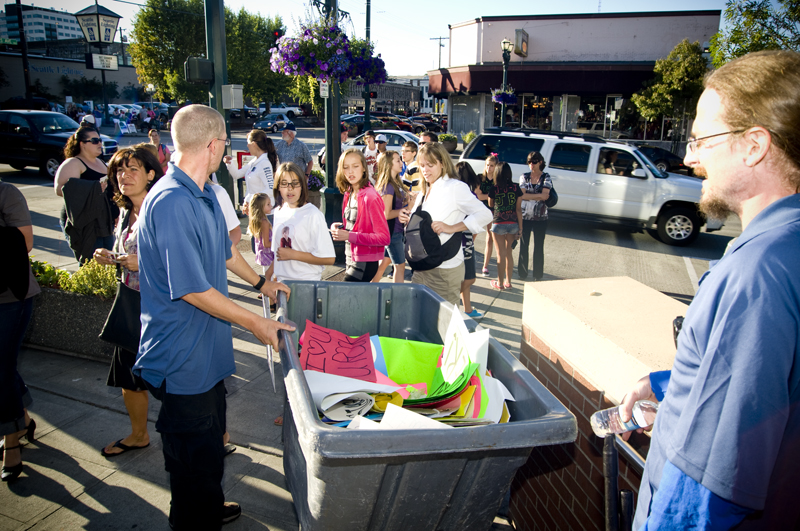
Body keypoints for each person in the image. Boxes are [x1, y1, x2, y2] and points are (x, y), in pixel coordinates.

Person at [619, 50, 800, 530]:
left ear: (754, 145)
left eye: (701, 138)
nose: (689, 156)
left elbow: (711, 485)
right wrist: (667, 386)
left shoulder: (756, 273)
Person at [133, 104, 295, 530]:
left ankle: (209, 502)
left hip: (207, 358)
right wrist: (255, 322)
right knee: (191, 470)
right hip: (182, 361)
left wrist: (262, 283)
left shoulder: (202, 193)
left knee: (209, 453)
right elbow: (189, 289)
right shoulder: (170, 202)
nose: (228, 149)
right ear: (212, 143)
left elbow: (223, 254)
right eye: (225, 141)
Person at [92, 146, 164, 458]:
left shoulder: (161, 210)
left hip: (160, 306)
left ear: (150, 174)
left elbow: (181, 261)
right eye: (120, 170)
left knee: (173, 380)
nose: (125, 175)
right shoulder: (124, 212)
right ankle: (139, 435)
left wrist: (142, 262)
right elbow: (126, 254)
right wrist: (110, 257)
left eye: (133, 169)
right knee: (129, 378)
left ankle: (215, 432)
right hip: (129, 303)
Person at [270, 162, 336, 426]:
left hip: (306, 290)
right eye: (284, 183)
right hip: (283, 291)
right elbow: (277, 253)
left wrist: (293, 255)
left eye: (294, 183)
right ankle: (293, 411)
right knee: (288, 355)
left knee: (305, 356)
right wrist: (267, 280)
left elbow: (329, 258)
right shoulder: (279, 212)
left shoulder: (312, 214)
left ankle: (307, 413)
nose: (289, 189)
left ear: (303, 185)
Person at [398, 143, 492, 305]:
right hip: (420, 268)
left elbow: (485, 214)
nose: (425, 170)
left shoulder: (455, 187)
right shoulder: (425, 190)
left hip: (444, 270)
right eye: (422, 165)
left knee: (444, 324)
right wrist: (407, 219)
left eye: (430, 165)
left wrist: (453, 228)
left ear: (442, 163)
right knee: (420, 319)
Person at [0, 182, 39, 482]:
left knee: (2, 370)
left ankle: (11, 442)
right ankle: (21, 418)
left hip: (11, 298)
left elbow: (25, 243)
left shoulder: (6, 193)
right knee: (4, 369)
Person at [54, 125, 118, 262]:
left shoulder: (101, 162)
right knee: (90, 261)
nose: (100, 143)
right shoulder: (73, 163)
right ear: (82, 144)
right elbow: (60, 189)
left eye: (100, 140)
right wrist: (93, 189)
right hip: (84, 221)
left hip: (104, 220)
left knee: (108, 260)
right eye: (94, 141)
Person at [331, 148, 391, 282]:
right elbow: (355, 227)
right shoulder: (349, 192)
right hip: (350, 258)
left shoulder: (370, 196)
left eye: (355, 166)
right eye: (346, 167)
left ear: (364, 168)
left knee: (343, 298)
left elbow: (384, 238)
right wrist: (338, 227)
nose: (350, 171)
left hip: (364, 263)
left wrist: (348, 235)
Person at [372, 151, 409, 283]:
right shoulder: (388, 186)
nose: (401, 163)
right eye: (398, 160)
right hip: (392, 232)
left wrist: (407, 200)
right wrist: (405, 209)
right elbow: (386, 214)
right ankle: (397, 298)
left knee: (384, 264)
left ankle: (370, 286)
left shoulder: (394, 183)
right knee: (400, 266)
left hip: (394, 230)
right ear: (388, 164)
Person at [224, 129, 277, 215]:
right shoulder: (254, 161)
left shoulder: (264, 163)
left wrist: (249, 199)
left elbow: (270, 190)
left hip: (264, 213)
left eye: (248, 143)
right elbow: (237, 175)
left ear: (254, 144)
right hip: (255, 211)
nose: (247, 146)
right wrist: (229, 163)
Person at [517, 151, 552, 281]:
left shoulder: (546, 177)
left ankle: (538, 274)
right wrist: (538, 196)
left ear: (540, 162)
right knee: (523, 245)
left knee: (539, 246)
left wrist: (528, 196)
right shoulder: (524, 176)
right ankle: (522, 273)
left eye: (534, 162)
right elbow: (521, 195)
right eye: (529, 162)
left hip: (541, 217)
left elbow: (546, 196)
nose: (531, 164)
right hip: (525, 217)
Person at [488, 162, 523, 290]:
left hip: (498, 223)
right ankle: (508, 282)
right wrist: (520, 228)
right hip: (513, 223)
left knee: (500, 255)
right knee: (509, 254)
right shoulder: (516, 188)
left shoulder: (494, 188)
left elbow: (491, 205)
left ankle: (500, 283)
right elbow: (519, 209)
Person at [455, 162, 483, 317]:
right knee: (470, 278)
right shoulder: (470, 196)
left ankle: (468, 309)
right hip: (466, 242)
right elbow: (477, 220)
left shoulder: (455, 193)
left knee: (464, 277)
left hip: (457, 241)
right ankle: (444, 300)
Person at [477, 153, 498, 277]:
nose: (489, 168)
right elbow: (478, 195)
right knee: (472, 234)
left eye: (492, 166)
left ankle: (485, 266)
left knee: (489, 237)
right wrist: (490, 196)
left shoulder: (497, 180)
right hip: (480, 209)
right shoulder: (480, 178)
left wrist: (486, 197)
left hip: (492, 211)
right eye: (487, 165)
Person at [248, 193, 275, 282]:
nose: (271, 206)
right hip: (268, 256)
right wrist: (278, 243)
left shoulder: (259, 220)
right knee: (269, 279)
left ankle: (265, 294)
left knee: (268, 277)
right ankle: (266, 295)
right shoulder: (264, 222)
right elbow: (266, 243)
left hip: (265, 255)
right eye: (268, 204)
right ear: (260, 207)